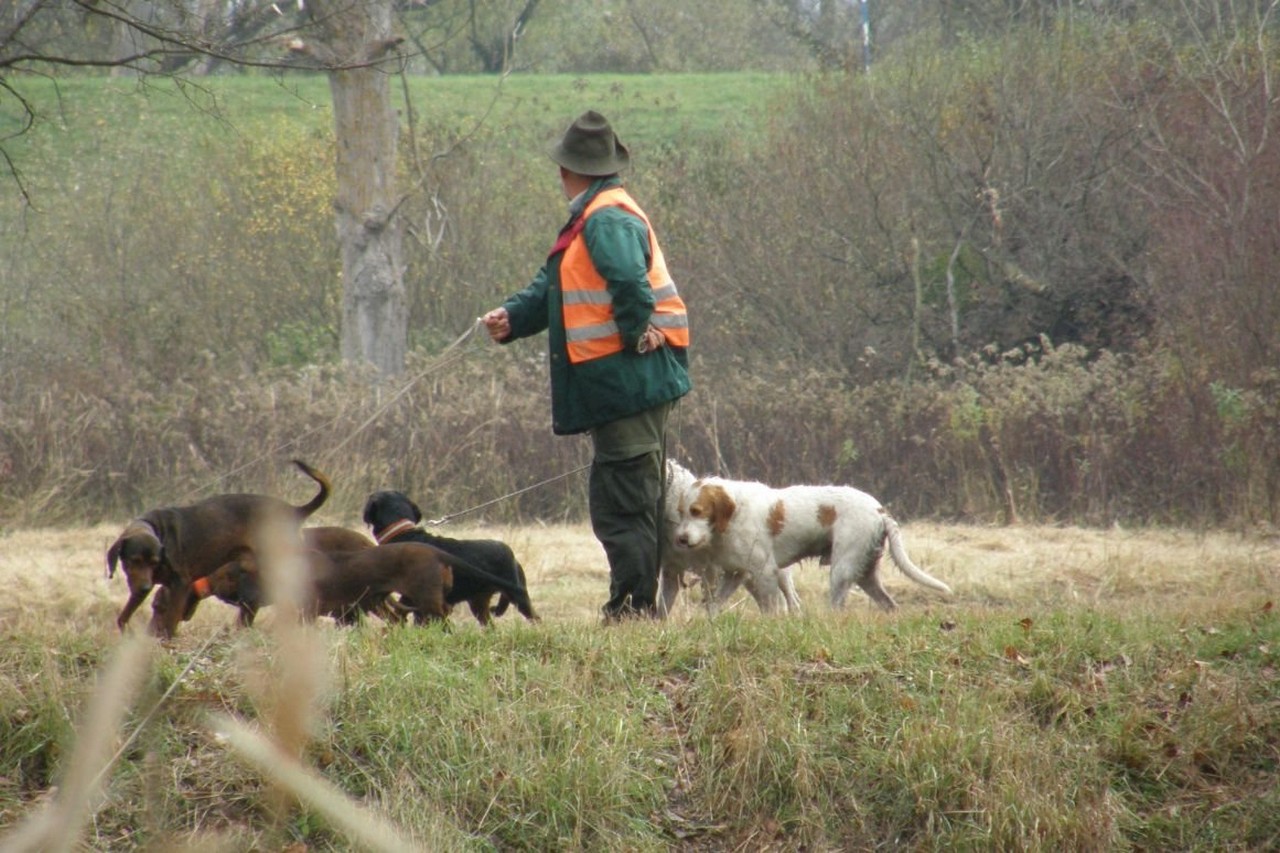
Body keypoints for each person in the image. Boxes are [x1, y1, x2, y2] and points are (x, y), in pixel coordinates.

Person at [482, 110, 691, 622]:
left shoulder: (606, 218)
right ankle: (638, 609)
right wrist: (513, 317)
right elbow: (555, 287)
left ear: (569, 170)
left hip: (628, 385)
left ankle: (632, 613)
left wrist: (633, 336)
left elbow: (629, 285)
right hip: (623, 387)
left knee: (624, 505)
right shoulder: (593, 216)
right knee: (630, 498)